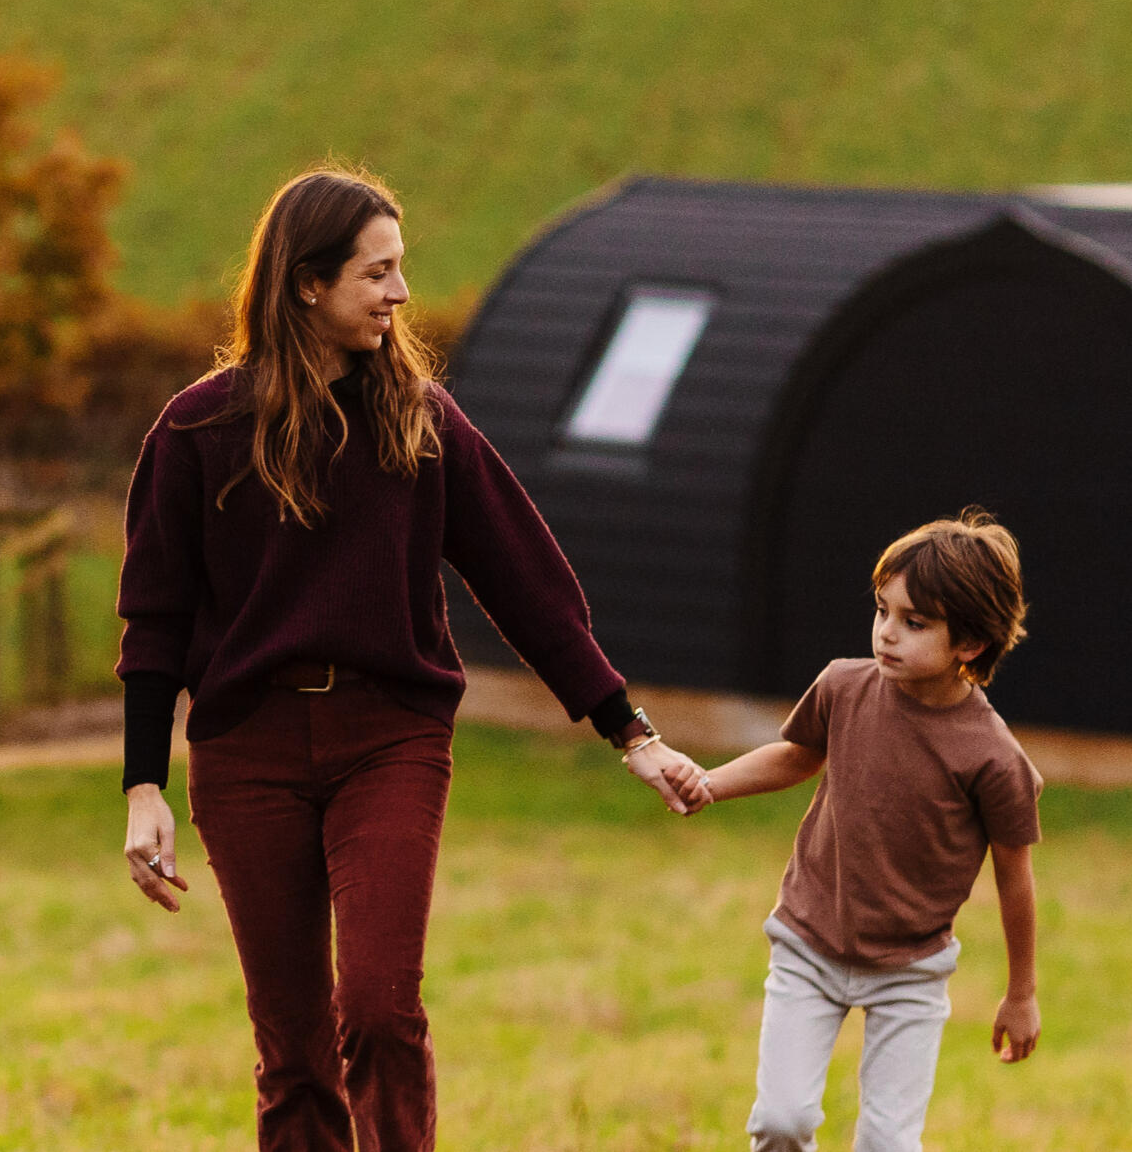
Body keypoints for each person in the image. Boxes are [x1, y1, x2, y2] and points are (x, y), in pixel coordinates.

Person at [114, 165, 711, 1151]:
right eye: (376, 272)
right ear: (307, 284)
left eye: (400, 269)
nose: (400, 293)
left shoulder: (424, 424)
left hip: (387, 741)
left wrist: (629, 731)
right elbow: (154, 622)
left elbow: (529, 586)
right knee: (294, 1049)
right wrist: (145, 784)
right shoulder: (196, 431)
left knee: (380, 1009)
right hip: (247, 752)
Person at [700, 509, 1042, 1152]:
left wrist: (1020, 993)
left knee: (888, 1142)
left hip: (911, 969)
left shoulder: (993, 757)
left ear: (969, 644)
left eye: (914, 623)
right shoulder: (843, 686)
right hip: (808, 943)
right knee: (781, 1121)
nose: (886, 632)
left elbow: (1015, 877)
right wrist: (709, 784)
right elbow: (797, 757)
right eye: (883, 610)